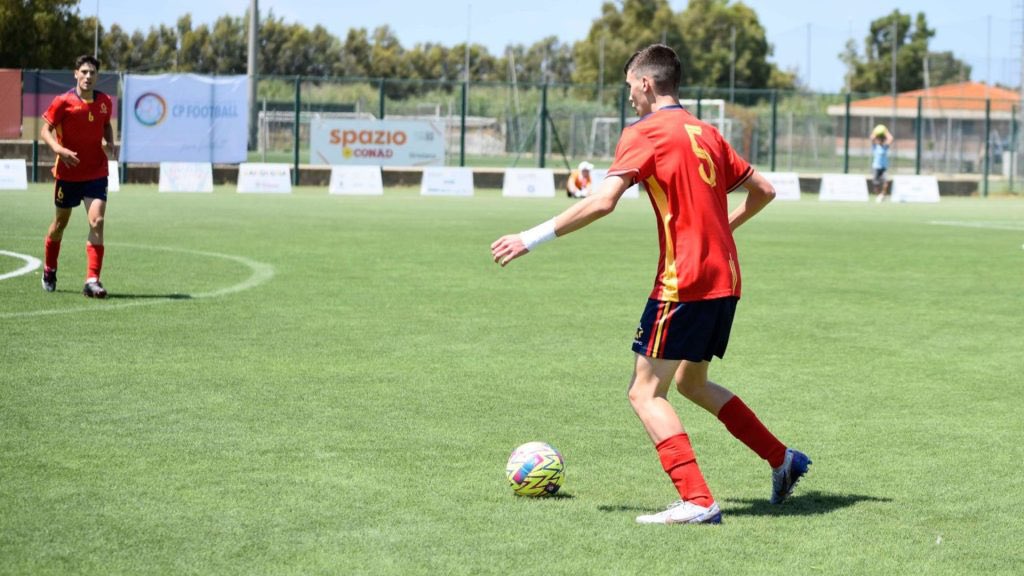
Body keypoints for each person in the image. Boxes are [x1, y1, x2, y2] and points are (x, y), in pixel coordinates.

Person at [491, 44, 810, 525]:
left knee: (644, 393)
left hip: (684, 284)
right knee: (692, 382)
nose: (630, 100)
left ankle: (699, 500)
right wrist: (723, 231)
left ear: (644, 83)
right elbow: (764, 190)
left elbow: (602, 202)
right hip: (725, 278)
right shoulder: (706, 132)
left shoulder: (645, 132)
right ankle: (782, 459)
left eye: (629, 89)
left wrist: (529, 237)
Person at [40, 55, 115, 298]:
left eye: (92, 72)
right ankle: (50, 268)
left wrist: (109, 142)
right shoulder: (63, 101)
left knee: (97, 222)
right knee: (60, 224)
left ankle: (92, 280)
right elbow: (45, 130)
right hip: (68, 173)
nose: (87, 76)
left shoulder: (104, 101)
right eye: (83, 72)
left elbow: (105, 124)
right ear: (75, 74)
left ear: (97, 76)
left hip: (96, 172)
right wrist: (58, 149)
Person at [871, 124, 893, 203]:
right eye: (878, 139)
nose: (880, 141)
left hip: (883, 167)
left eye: (881, 139)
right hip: (876, 167)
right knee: (875, 183)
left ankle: (883, 194)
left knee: (885, 182)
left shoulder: (885, 147)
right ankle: (878, 196)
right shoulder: (875, 147)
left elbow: (891, 139)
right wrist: (875, 132)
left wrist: (885, 132)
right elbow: (872, 138)